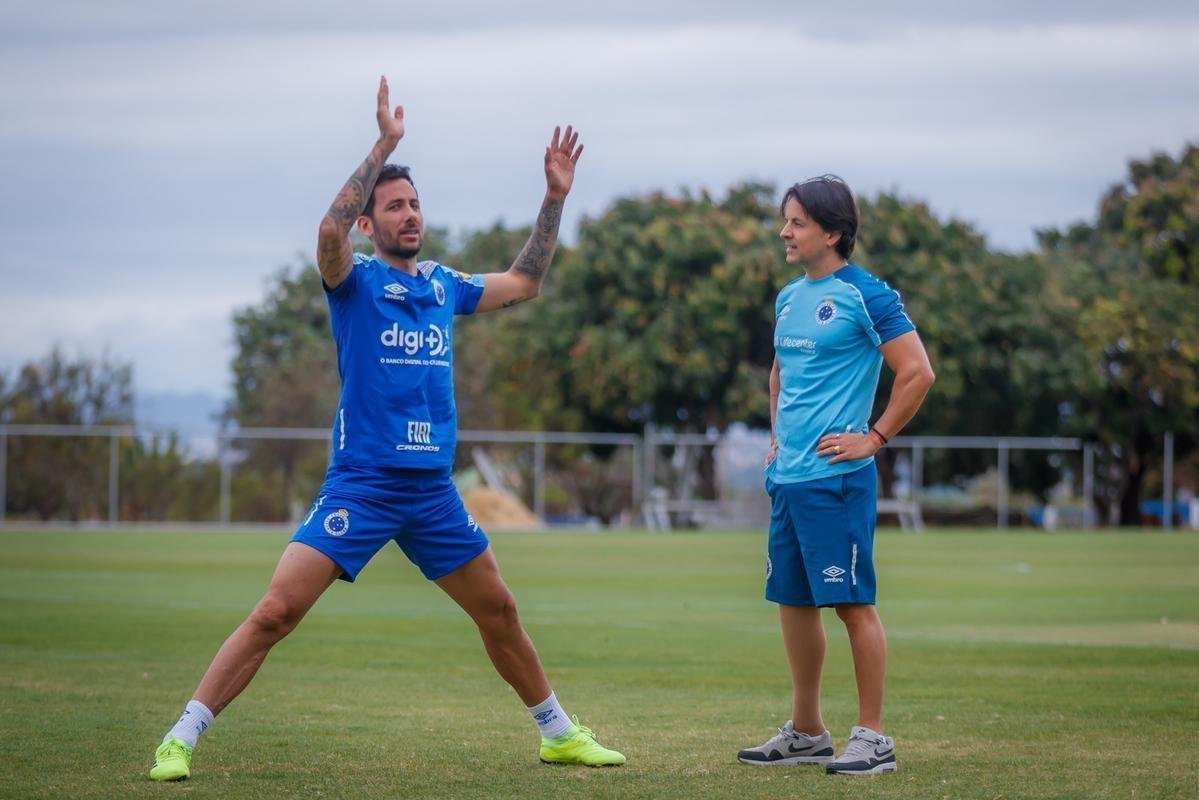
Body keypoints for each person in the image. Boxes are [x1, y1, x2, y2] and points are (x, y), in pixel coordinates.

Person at [150, 76, 624, 781]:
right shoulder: (354, 282)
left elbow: (525, 282)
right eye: (394, 206)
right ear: (369, 225)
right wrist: (384, 145)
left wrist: (554, 198)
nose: (409, 215)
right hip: (363, 485)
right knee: (277, 610)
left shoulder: (442, 284)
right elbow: (326, 232)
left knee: (499, 610)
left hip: (432, 492)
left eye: (414, 203)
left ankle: (556, 731)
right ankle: (181, 737)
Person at [736, 175, 934, 776]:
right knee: (793, 601)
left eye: (795, 222)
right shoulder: (787, 298)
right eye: (785, 221)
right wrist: (776, 437)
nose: (784, 232)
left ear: (832, 232)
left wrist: (872, 439)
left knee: (851, 605)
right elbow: (779, 373)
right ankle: (807, 731)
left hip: (837, 480)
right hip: (789, 478)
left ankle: (873, 737)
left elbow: (917, 373)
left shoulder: (867, 295)